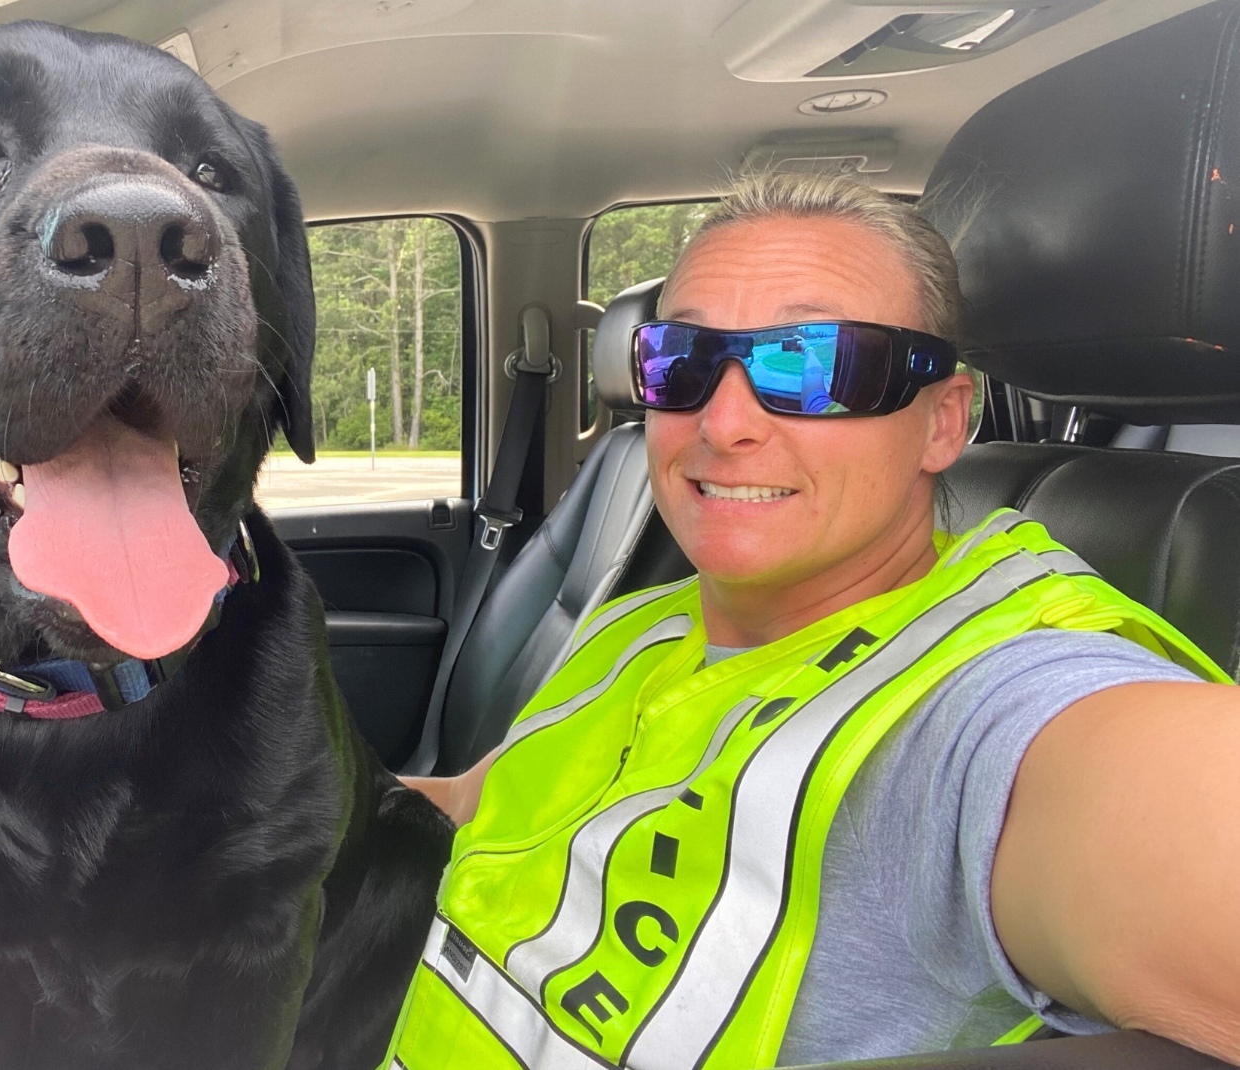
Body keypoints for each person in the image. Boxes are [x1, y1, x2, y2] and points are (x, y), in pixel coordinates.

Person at [386, 171, 1240, 1069]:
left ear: (944, 422)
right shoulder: (639, 626)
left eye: (814, 364)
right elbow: (483, 805)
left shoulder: (984, 706)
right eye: (679, 360)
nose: (723, 422)